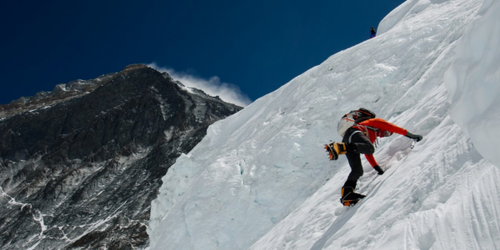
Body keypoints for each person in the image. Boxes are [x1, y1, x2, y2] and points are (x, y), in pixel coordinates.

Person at [328, 111, 422, 205]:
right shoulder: (375, 122)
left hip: (348, 140)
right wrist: (412, 136)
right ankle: (340, 147)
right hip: (354, 132)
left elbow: (368, 153)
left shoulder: (372, 135)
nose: (386, 134)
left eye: (388, 135)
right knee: (369, 148)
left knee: (357, 170)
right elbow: (395, 128)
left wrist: (378, 169)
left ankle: (347, 194)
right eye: (387, 132)